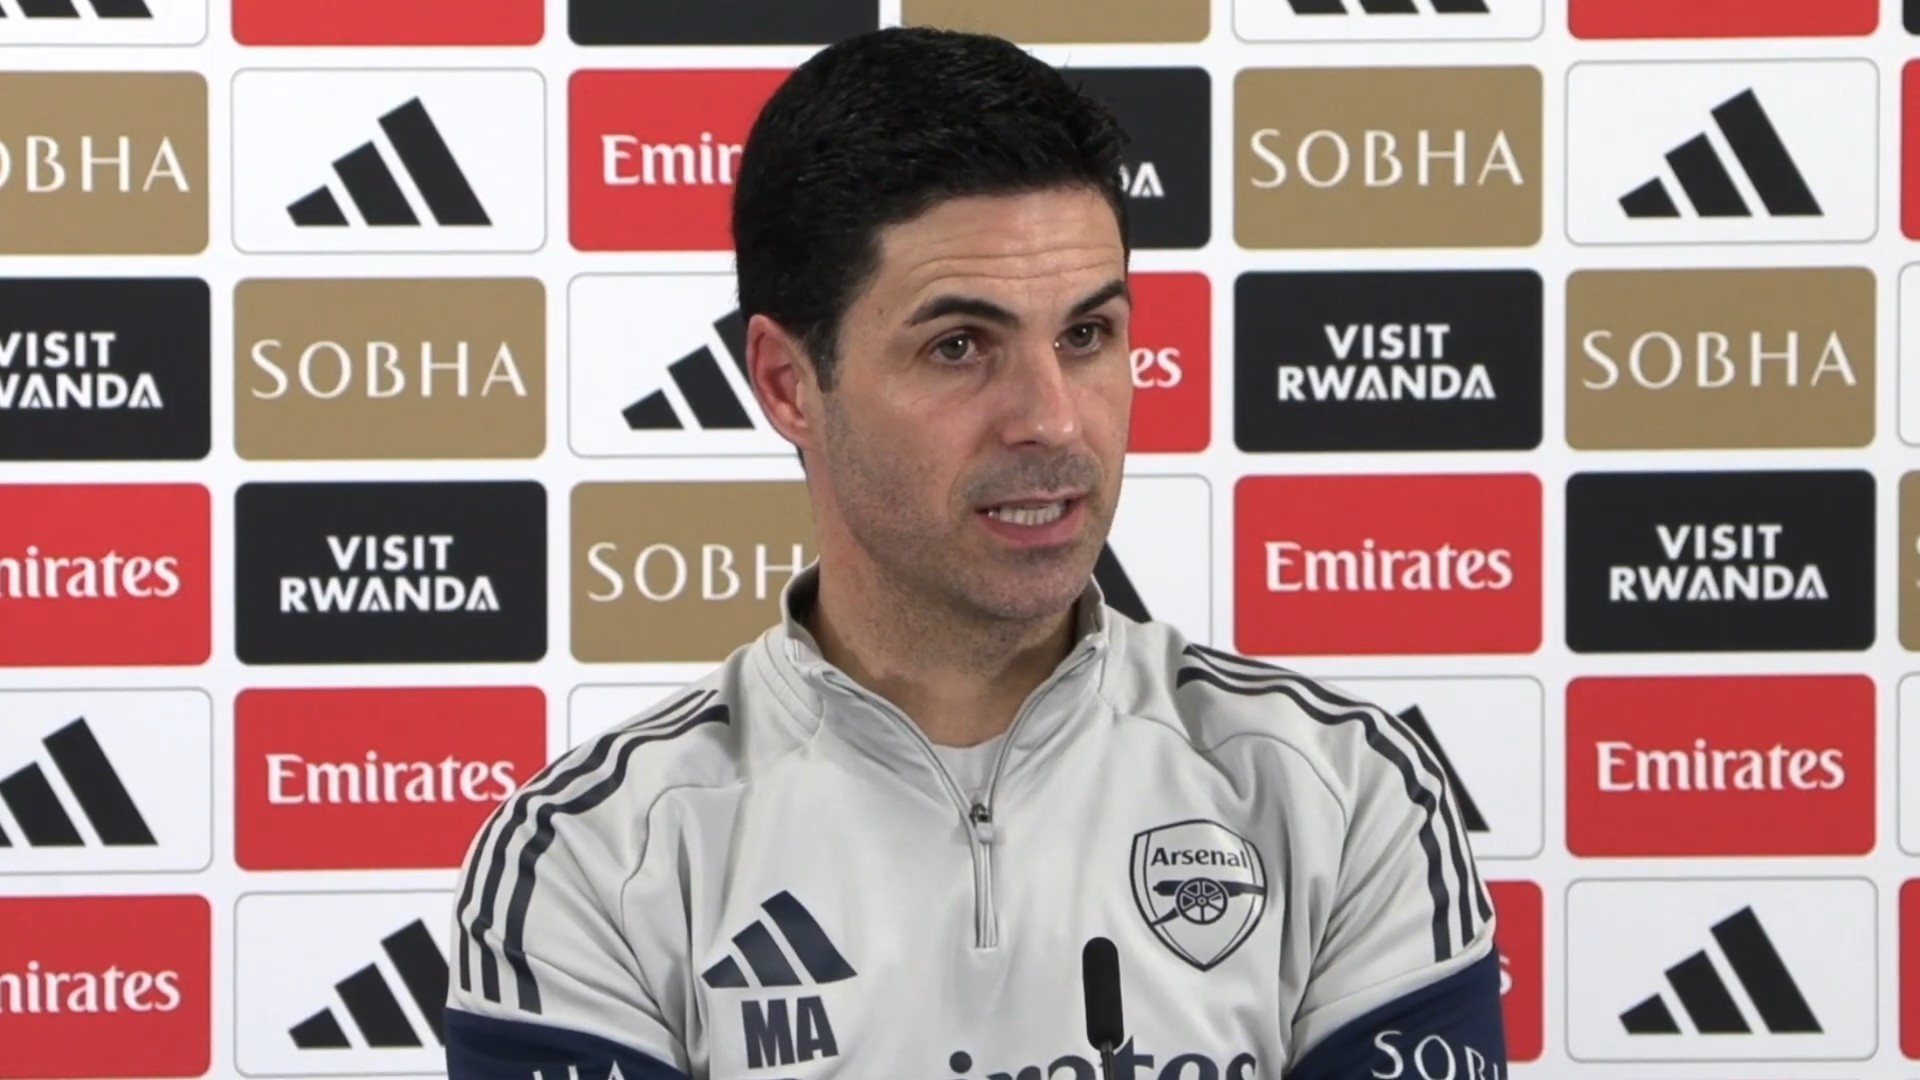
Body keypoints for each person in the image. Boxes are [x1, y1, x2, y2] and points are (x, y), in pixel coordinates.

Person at [443, 25, 1505, 1080]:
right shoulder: (595, 862)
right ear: (786, 383)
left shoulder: (1339, 792)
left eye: (1086, 336)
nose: (1052, 419)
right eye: (959, 347)